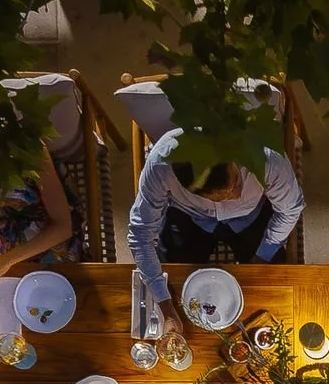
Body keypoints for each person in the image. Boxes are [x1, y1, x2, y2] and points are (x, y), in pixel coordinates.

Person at [126, 127, 306, 332]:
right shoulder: (160, 167)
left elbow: (290, 210)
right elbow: (140, 235)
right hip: (190, 218)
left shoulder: (266, 159)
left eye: (236, 180)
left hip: (251, 217)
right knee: (173, 282)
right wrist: (166, 309)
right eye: (225, 196)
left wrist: (262, 257)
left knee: (272, 287)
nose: (238, 194)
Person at [0, 146, 82, 280]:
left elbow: (62, 228)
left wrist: (8, 259)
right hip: (8, 216)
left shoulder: (31, 152)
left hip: (51, 230)